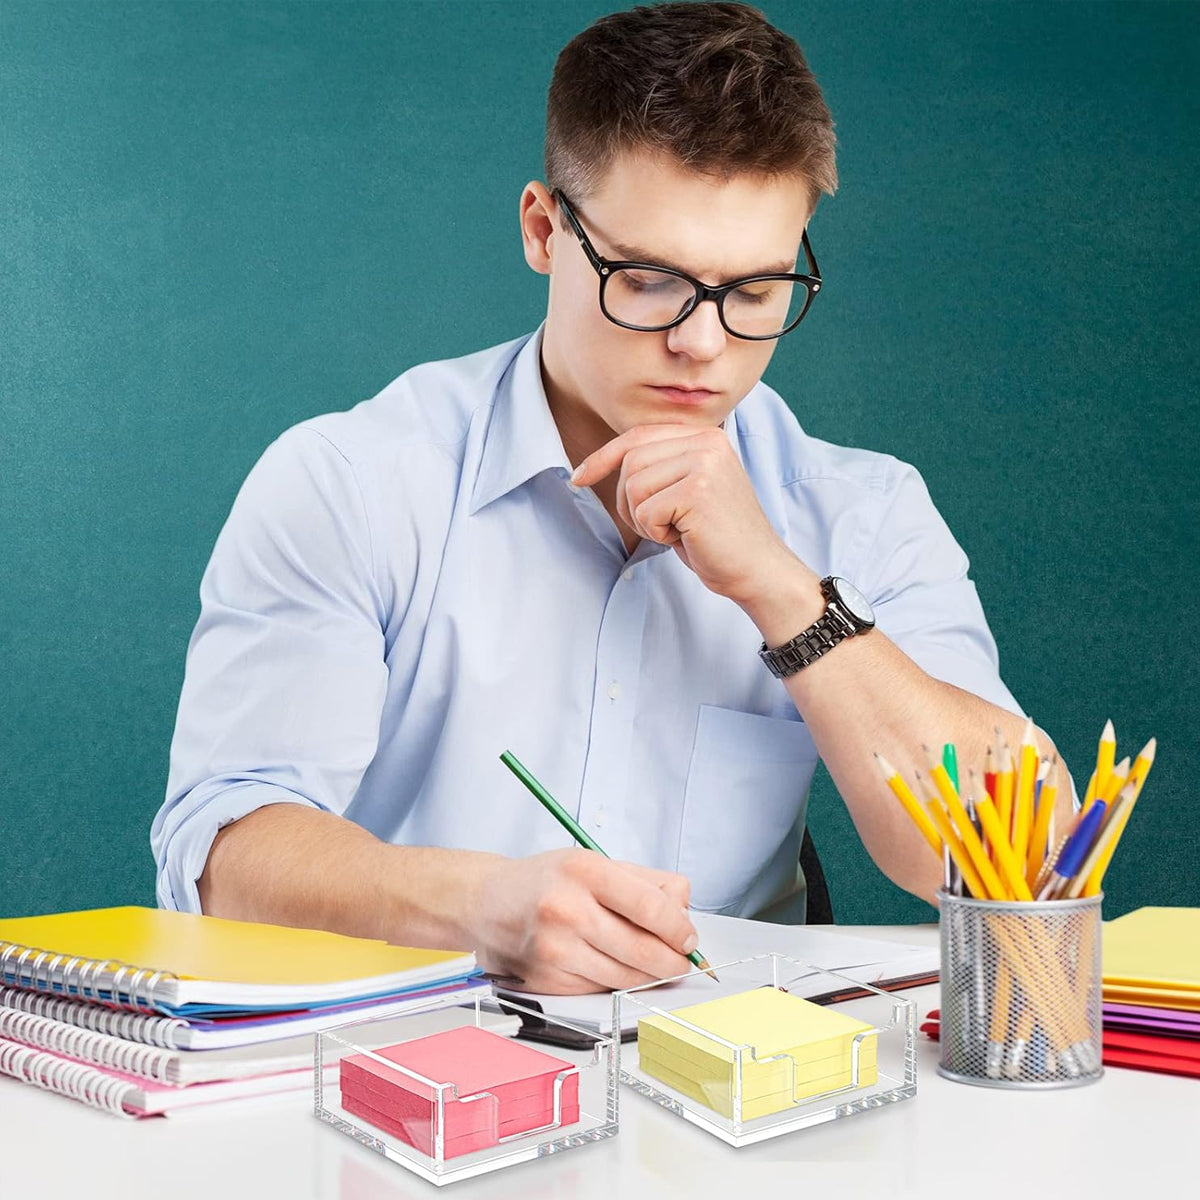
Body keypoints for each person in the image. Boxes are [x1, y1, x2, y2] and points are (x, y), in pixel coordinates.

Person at [151, 2, 1073, 995]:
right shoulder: (353, 484)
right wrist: (476, 909)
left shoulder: (862, 512)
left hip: (733, 1093)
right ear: (544, 231)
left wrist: (785, 592)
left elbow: (1023, 861)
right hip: (401, 1078)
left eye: (757, 291)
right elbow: (223, 854)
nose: (704, 344)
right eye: (649, 280)